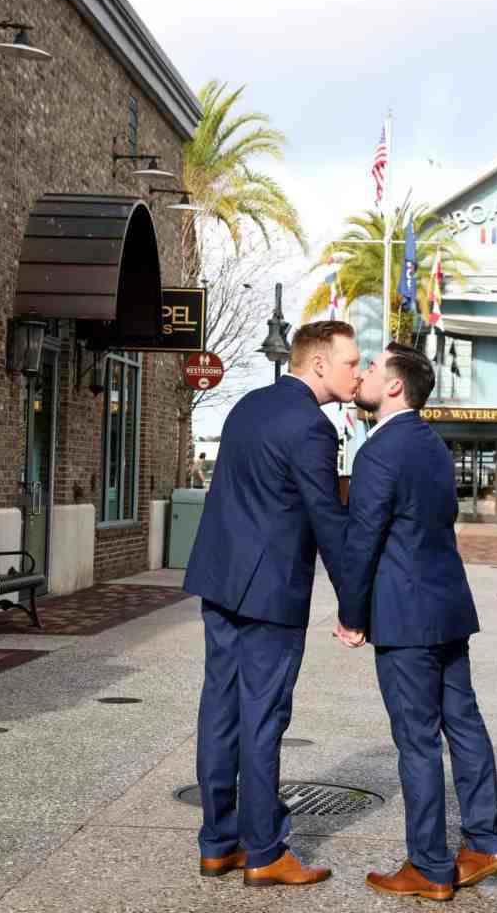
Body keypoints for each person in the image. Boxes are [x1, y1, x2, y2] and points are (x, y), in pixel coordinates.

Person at [184, 321, 361, 888]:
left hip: (221, 579)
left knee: (220, 712)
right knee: (263, 718)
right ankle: (264, 850)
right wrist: (353, 604)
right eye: (350, 362)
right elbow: (327, 520)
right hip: (269, 594)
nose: (357, 373)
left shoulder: (246, 407)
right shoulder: (312, 426)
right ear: (317, 365)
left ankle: (218, 843)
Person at [337, 342, 497, 902]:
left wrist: (350, 614)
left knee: (416, 741)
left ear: (394, 386)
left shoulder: (378, 452)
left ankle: (430, 867)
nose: (362, 375)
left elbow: (362, 540)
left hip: (404, 619)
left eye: (371, 369)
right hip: (448, 609)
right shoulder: (434, 445)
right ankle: (485, 844)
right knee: (464, 724)